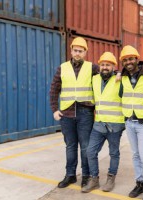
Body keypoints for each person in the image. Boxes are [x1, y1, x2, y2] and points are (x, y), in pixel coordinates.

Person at [50, 37, 97, 189]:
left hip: (85, 113)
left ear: (85, 52)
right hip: (66, 115)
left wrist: (117, 74)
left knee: (85, 146)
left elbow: (106, 74)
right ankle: (70, 175)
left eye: (81, 51)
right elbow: (54, 89)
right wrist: (54, 109)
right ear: (71, 51)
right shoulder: (62, 68)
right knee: (70, 146)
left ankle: (86, 176)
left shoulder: (92, 68)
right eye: (75, 50)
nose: (77, 53)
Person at [81, 52, 125, 193]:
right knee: (90, 151)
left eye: (108, 65)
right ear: (99, 66)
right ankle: (94, 179)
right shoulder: (94, 79)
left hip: (115, 125)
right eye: (103, 64)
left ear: (114, 66)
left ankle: (111, 178)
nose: (105, 67)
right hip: (99, 123)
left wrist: (120, 73)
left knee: (114, 153)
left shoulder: (120, 79)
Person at [119, 45, 143, 200]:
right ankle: (139, 182)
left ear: (137, 59)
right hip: (129, 121)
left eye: (131, 58)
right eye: (125, 60)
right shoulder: (123, 76)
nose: (128, 62)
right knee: (135, 154)